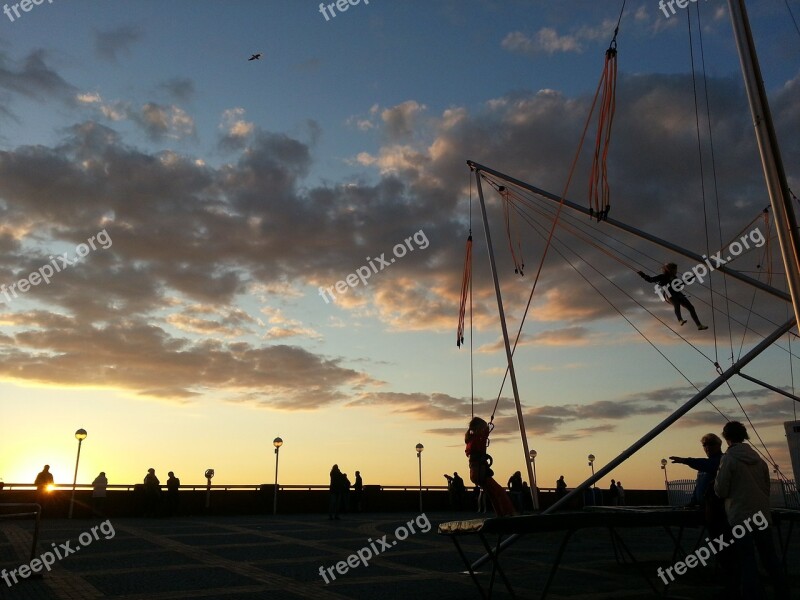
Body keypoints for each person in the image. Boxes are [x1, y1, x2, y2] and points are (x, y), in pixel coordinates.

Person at [714, 421, 788, 599]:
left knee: (747, 560)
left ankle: (752, 594)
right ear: (744, 435)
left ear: (726, 437)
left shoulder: (729, 458)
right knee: (770, 557)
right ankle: (783, 592)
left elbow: (721, 490)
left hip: (740, 515)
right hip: (761, 514)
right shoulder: (759, 459)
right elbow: (766, 488)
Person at [671, 433, 737, 596]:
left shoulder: (721, 461)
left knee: (725, 547)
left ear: (719, 444)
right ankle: (728, 580)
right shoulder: (704, 466)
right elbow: (698, 486)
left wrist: (686, 460)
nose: (707, 448)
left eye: (711, 444)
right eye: (705, 445)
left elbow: (709, 466)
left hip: (720, 512)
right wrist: (693, 501)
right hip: (706, 510)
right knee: (718, 545)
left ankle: (733, 583)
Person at [464, 417, 516, 517]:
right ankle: (509, 513)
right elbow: (483, 438)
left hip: (476, 473)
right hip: (480, 472)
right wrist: (487, 429)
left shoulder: (471, 441)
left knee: (493, 495)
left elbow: (483, 438)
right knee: (499, 492)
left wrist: (487, 428)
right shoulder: (477, 440)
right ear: (479, 428)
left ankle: (501, 514)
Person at [638, 263, 708, 330]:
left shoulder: (675, 278)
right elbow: (651, 280)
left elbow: (681, 283)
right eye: (675, 270)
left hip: (677, 294)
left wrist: (691, 277)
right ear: (670, 270)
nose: (676, 271)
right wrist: (643, 275)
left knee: (691, 307)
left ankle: (699, 325)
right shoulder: (662, 276)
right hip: (669, 294)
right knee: (676, 304)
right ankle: (680, 319)